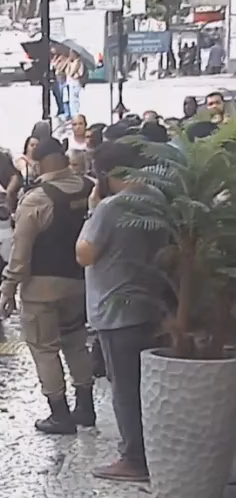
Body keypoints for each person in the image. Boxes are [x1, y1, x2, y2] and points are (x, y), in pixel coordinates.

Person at [76, 141, 167, 482]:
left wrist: (91, 209)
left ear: (109, 173)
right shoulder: (156, 198)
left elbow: (85, 254)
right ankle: (151, 450)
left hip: (115, 311)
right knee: (145, 386)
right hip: (149, 303)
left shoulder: (111, 207)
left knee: (125, 389)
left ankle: (133, 459)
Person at [0, 137, 96, 435]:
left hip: (42, 287)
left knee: (45, 349)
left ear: (38, 163)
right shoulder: (90, 187)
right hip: (81, 282)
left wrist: (8, 288)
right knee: (76, 342)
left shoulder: (38, 198)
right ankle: (85, 406)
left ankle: (59, 414)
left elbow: (21, 250)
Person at [65, 52, 86, 117]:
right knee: (71, 99)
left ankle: (75, 113)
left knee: (74, 99)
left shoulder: (78, 62)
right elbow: (66, 72)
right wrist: (68, 63)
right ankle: (73, 113)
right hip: (70, 82)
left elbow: (71, 73)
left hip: (75, 83)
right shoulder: (72, 62)